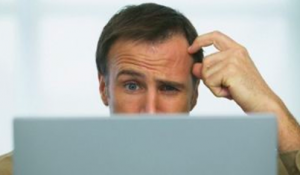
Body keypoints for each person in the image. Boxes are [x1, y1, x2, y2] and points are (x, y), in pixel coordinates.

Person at [1, 3, 300, 175]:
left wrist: (268, 104)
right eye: (132, 85)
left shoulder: (248, 168)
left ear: (195, 95)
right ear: (104, 88)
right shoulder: (30, 168)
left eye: (169, 88)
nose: (150, 110)